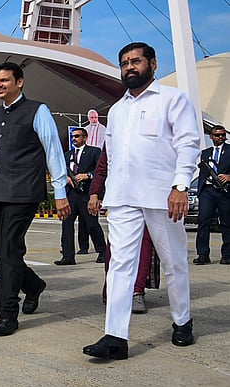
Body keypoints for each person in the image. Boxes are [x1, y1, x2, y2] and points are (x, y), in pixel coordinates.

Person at [82, 42, 199, 361]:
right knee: (119, 265)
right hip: (122, 199)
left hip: (163, 196)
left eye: (135, 61)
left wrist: (181, 185)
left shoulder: (173, 99)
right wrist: (104, 192)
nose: (129, 67)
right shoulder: (117, 110)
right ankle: (115, 336)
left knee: (174, 261)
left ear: (153, 64)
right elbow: (113, 156)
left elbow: (189, 143)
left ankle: (182, 321)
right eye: (124, 63)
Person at [0, 61, 70, 337]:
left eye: (5, 81)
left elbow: (53, 150)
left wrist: (60, 192)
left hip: (23, 193)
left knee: (8, 250)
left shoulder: (38, 111)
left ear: (19, 82)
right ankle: (33, 285)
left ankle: (8, 314)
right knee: (4, 253)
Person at [89, 146, 159, 315]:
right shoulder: (116, 129)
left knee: (144, 246)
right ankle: (113, 288)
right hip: (120, 197)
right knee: (115, 247)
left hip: (149, 195)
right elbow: (102, 166)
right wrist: (94, 194)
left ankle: (137, 291)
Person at [54, 127, 107, 265]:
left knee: (92, 224)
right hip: (71, 194)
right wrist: (65, 177)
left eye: (77, 136)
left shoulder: (94, 152)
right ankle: (68, 256)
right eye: (72, 137)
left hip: (87, 194)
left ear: (85, 137)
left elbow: (101, 171)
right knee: (67, 225)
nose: (74, 139)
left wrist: (87, 175)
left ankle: (102, 252)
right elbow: (60, 170)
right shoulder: (67, 155)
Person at [193, 125, 230, 265]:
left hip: (224, 191)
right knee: (203, 222)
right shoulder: (205, 153)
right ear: (211, 136)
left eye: (222, 135)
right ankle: (203, 254)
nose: (220, 137)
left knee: (226, 223)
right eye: (217, 135)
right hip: (207, 191)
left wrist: (228, 177)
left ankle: (227, 254)